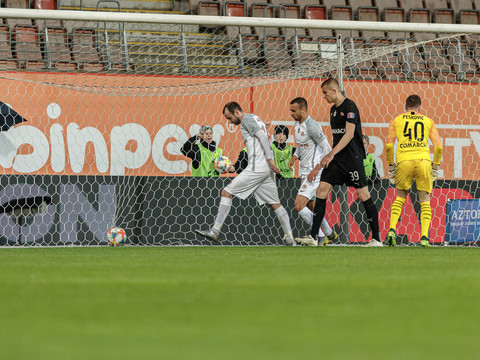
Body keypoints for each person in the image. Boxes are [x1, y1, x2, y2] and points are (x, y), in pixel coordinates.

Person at [295, 78, 382, 247]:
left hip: (352, 159)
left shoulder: (350, 106)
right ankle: (314, 237)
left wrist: (330, 154)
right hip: (337, 160)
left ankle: (377, 238)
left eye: (325, 93)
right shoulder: (332, 111)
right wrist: (332, 156)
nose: (324, 97)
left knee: (363, 195)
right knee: (321, 190)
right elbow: (337, 137)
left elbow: (349, 134)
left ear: (334, 91)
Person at [195, 101, 296, 245]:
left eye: (229, 118)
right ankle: (290, 238)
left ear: (236, 112)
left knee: (226, 192)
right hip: (266, 171)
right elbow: (262, 135)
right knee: (275, 204)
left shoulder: (246, 120)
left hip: (257, 168)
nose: (229, 121)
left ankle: (215, 231)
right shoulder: (254, 118)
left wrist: (270, 160)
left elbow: (262, 137)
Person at [385, 95, 443, 247]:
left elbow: (389, 146)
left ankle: (391, 230)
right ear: (419, 108)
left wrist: (391, 166)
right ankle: (424, 237)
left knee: (400, 197)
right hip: (423, 161)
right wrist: (435, 166)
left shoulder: (396, 120)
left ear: (405, 107)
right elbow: (439, 147)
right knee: (424, 201)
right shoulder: (428, 121)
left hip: (404, 161)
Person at [287, 97, 338, 246]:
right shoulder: (297, 124)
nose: (291, 113)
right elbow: (301, 145)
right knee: (311, 206)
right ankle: (329, 232)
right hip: (305, 172)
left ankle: (320, 237)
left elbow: (327, 148)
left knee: (298, 205)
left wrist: (317, 169)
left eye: (293, 110)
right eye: (290, 110)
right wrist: (294, 157)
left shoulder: (312, 126)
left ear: (303, 110)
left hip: (314, 173)